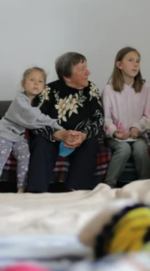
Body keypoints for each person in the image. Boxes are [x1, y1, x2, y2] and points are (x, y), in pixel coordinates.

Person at [26, 52, 104, 193]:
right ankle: (36, 194)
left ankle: (76, 193)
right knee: (40, 142)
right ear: (67, 77)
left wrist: (84, 135)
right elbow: (34, 120)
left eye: (86, 67)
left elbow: (98, 119)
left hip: (81, 138)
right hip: (54, 137)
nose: (88, 72)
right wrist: (59, 134)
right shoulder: (48, 91)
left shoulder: (91, 89)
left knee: (91, 143)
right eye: (82, 69)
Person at [0, 67, 62, 193]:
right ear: (23, 83)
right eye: (32, 79)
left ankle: (21, 188)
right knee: (2, 153)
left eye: (40, 81)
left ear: (44, 86)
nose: (36, 83)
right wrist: (57, 125)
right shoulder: (20, 100)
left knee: (25, 156)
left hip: (20, 137)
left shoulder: (42, 102)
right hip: (5, 132)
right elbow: (34, 117)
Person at [102, 47, 150, 188]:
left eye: (138, 61)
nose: (135, 64)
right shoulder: (108, 90)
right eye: (130, 60)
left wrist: (136, 127)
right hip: (115, 138)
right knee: (124, 149)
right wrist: (114, 132)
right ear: (119, 65)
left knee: (140, 149)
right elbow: (106, 119)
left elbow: (148, 116)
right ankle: (108, 187)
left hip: (137, 136)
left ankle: (145, 186)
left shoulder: (145, 88)